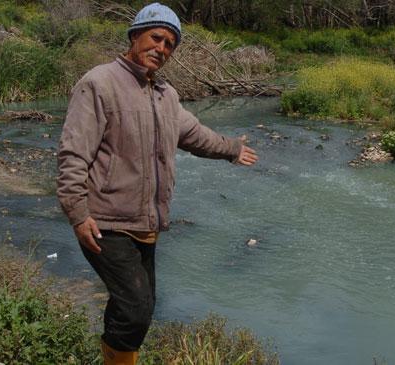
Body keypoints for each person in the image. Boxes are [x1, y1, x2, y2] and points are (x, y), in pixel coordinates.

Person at [56, 3, 258, 364]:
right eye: (156, 38)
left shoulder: (166, 95)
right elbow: (73, 152)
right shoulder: (99, 83)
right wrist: (76, 212)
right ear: (135, 35)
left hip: (146, 222)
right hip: (105, 221)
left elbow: (196, 135)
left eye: (170, 44)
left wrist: (232, 149)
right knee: (135, 308)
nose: (162, 49)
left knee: (139, 307)